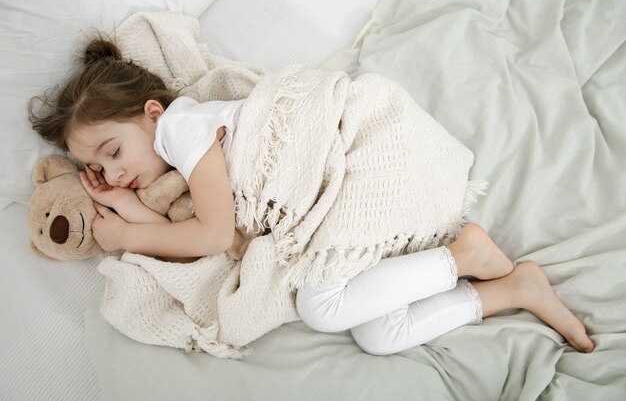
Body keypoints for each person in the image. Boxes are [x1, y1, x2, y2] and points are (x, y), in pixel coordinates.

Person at [29, 37, 595, 356]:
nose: (112, 171)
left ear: (151, 113)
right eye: (97, 167)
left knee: (321, 309)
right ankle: (514, 288)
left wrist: (130, 235)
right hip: (333, 195)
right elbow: (218, 223)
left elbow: (215, 235)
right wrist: (130, 208)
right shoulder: (175, 160)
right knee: (378, 334)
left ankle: (465, 256)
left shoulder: (183, 128)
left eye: (112, 150)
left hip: (359, 160)